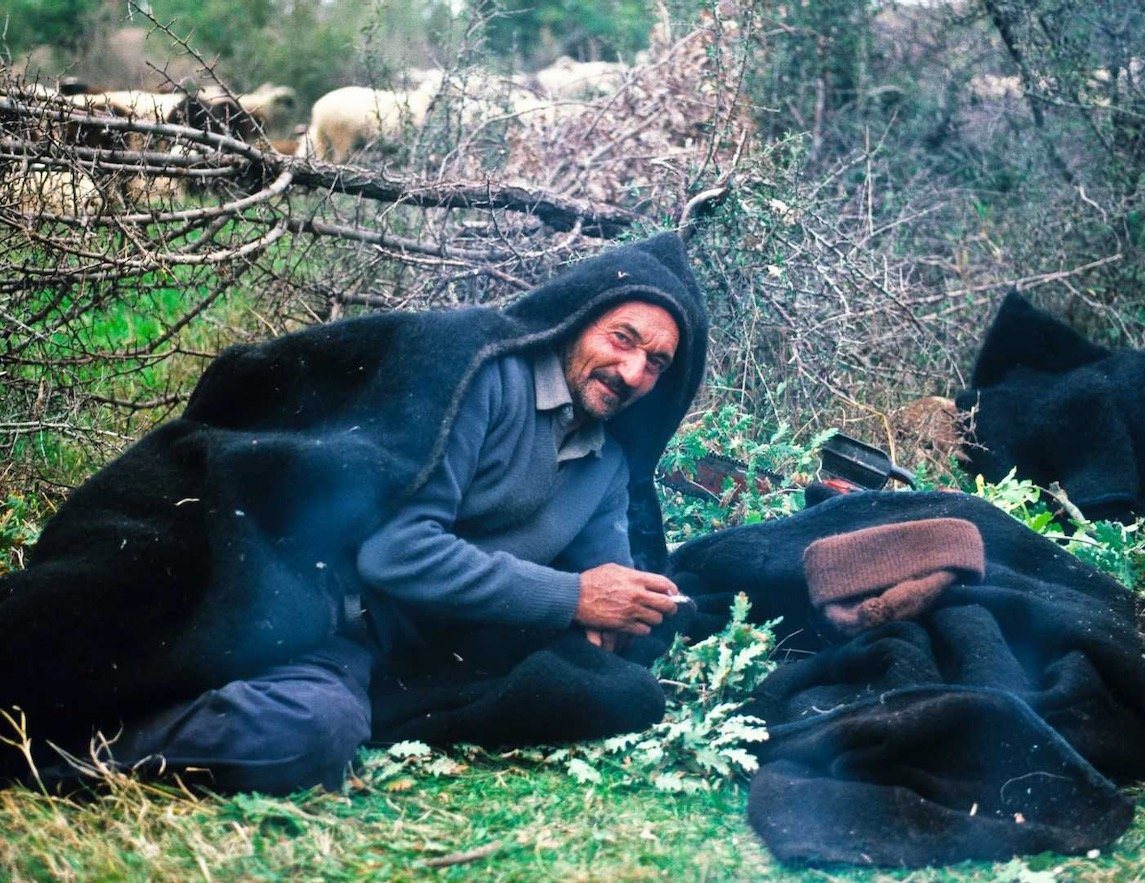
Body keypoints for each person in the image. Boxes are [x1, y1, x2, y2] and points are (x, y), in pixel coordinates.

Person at [0, 232, 708, 794]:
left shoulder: (606, 463)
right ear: (580, 320)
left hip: (350, 650)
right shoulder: (485, 378)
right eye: (624, 338)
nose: (634, 371)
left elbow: (608, 583)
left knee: (314, 734)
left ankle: (65, 759)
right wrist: (575, 597)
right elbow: (399, 552)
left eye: (657, 362)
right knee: (80, 643)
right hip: (266, 584)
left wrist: (618, 612)